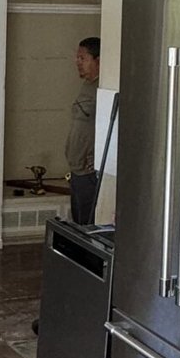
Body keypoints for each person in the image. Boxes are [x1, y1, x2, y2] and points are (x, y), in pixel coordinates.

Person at [66, 36, 101, 225]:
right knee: (78, 224)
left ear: (98, 60)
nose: (78, 63)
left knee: (88, 225)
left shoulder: (102, 87)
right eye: (77, 58)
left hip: (89, 172)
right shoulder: (87, 86)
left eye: (83, 58)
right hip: (77, 171)